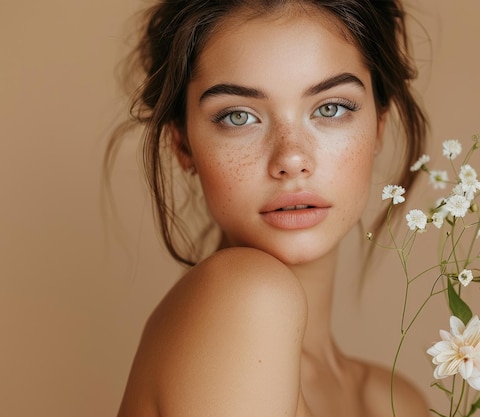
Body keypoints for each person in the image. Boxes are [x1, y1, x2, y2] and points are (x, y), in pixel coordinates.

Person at [110, 0, 429, 415]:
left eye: (331, 108)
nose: (291, 158)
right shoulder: (245, 297)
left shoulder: (398, 403)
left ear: (378, 126)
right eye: (239, 117)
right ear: (182, 145)